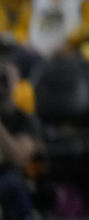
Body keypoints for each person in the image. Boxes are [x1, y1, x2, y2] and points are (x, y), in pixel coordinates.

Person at [0, 49, 38, 220]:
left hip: (9, 179)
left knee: (13, 183)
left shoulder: (25, 119)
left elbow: (19, 158)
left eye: (6, 78)